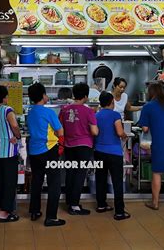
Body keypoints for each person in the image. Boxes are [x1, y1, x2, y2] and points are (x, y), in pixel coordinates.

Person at [26, 83, 65, 227]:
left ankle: (34, 211)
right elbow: (60, 131)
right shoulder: (48, 112)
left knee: (37, 180)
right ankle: (51, 217)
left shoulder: (30, 112)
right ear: (43, 95)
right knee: (54, 183)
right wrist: (60, 145)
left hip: (34, 151)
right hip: (49, 150)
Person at [59, 83, 98, 215]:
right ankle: (74, 206)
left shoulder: (64, 109)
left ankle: (69, 202)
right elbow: (94, 131)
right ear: (86, 96)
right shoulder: (88, 111)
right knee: (80, 175)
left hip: (69, 146)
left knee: (70, 173)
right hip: (84, 146)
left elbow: (61, 129)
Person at [95, 92, 130, 220]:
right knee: (117, 181)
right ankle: (119, 211)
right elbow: (120, 132)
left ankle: (101, 205)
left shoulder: (96, 115)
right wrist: (124, 136)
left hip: (99, 151)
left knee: (100, 179)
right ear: (112, 102)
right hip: (114, 153)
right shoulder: (115, 115)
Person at [0, 85, 21, 223]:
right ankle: (4, 213)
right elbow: (14, 126)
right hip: (8, 151)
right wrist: (17, 136)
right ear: (3, 98)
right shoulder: (7, 110)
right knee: (9, 183)